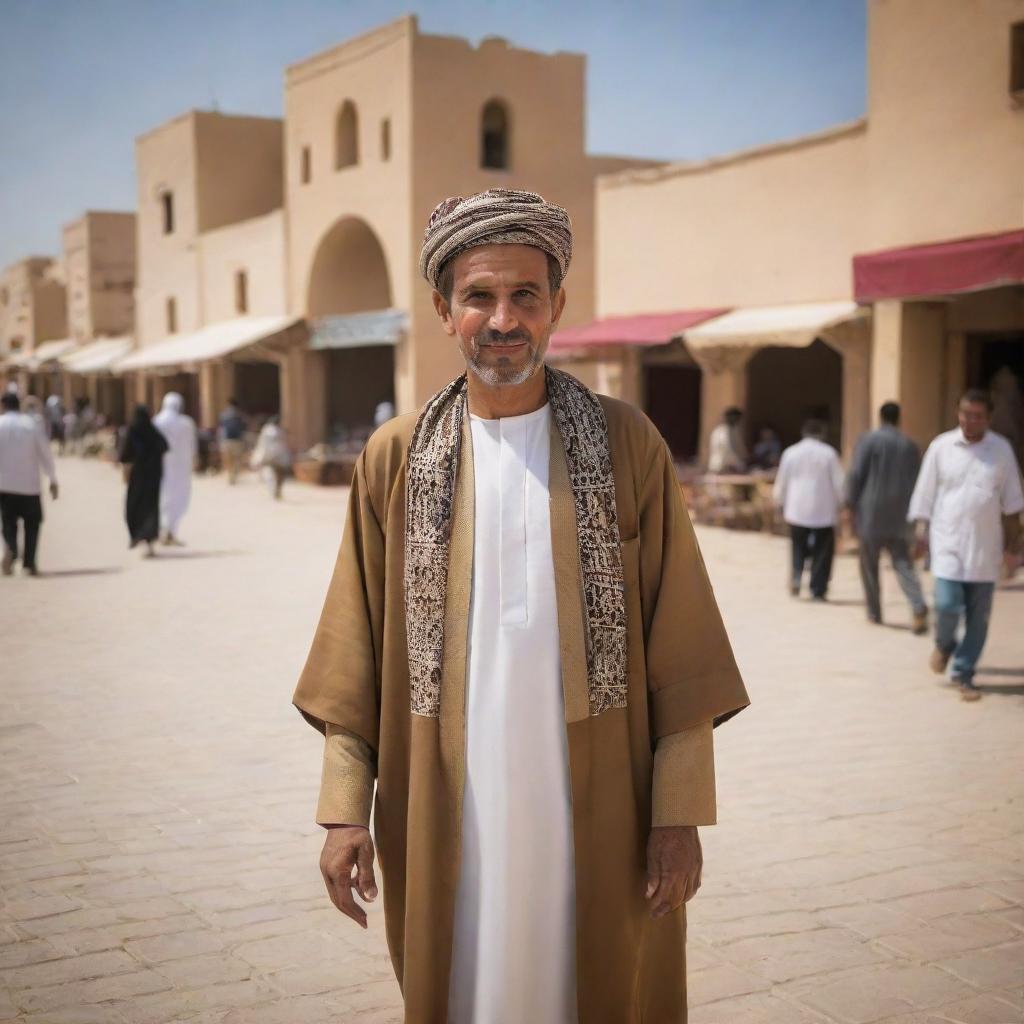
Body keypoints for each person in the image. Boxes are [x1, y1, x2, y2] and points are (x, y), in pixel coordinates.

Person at [293, 189, 749, 1022]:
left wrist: (679, 816)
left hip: (601, 805)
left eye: (525, 296)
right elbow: (350, 655)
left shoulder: (626, 445)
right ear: (443, 309)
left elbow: (683, 652)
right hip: (443, 804)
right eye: (479, 296)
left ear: (557, 306)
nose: (503, 319)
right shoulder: (394, 457)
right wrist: (342, 812)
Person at [908, 389, 1023, 701]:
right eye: (965, 414)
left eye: (977, 416)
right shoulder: (941, 447)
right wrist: (919, 535)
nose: (970, 421)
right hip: (946, 544)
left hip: (986, 550)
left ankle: (964, 672)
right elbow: (924, 494)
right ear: (958, 413)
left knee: (978, 618)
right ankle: (945, 644)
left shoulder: (1001, 450)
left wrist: (1014, 549)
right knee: (946, 605)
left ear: (988, 418)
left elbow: (1013, 504)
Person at [846, 402, 928, 631]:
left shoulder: (868, 441)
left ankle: (874, 611)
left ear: (880, 417)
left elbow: (856, 473)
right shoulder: (910, 446)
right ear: (899, 418)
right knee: (902, 562)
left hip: (871, 512)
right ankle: (918, 603)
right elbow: (918, 482)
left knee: (869, 564)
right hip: (901, 515)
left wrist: (849, 504)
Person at [773, 419, 845, 600]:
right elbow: (839, 483)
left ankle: (796, 576)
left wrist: (778, 502)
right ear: (821, 433)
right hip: (823, 510)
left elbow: (782, 480)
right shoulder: (829, 454)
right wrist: (843, 503)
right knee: (822, 551)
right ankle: (817, 589)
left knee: (797, 547)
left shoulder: (791, 453)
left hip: (796, 509)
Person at [0, 392, 58, 577]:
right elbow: (45, 453)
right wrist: (52, 478)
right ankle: (29, 563)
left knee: (8, 523)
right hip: (30, 485)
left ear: (3, 405)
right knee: (33, 524)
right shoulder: (31, 425)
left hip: (5, 485)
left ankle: (12, 549)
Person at [118, 405, 168, 557]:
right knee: (151, 508)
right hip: (153, 477)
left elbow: (124, 455)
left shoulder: (133, 431)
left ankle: (138, 536)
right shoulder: (153, 431)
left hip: (138, 476)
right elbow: (164, 446)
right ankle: (149, 540)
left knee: (134, 506)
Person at [153, 392, 197, 546]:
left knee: (164, 496)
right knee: (178, 497)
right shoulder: (187, 423)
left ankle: (166, 531)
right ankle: (169, 530)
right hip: (181, 467)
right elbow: (193, 445)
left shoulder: (157, 422)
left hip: (163, 465)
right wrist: (194, 460)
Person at [249, 415, 291, 500]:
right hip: (277, 455)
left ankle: (275, 491)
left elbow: (261, 444)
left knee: (271, 473)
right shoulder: (276, 431)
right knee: (276, 474)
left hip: (271, 454)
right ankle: (276, 491)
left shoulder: (267, 430)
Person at [707, 406, 747, 473]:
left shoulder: (730, 430)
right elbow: (729, 450)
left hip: (723, 466)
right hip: (723, 468)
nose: (738, 421)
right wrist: (742, 462)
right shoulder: (724, 431)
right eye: (737, 418)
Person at [218, 397, 247, 484]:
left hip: (226, 439)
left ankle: (230, 476)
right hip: (237, 440)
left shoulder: (223, 414)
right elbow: (244, 427)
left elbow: (221, 428)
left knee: (228, 459)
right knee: (237, 459)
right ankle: (234, 475)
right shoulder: (239, 414)